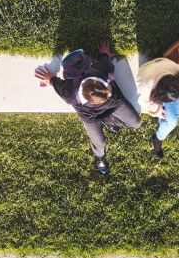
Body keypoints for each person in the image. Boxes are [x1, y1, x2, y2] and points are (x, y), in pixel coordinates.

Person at [35, 40, 141, 175]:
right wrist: (49, 79)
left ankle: (108, 120)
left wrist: (104, 53)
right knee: (100, 142)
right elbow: (55, 82)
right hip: (90, 117)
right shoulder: (70, 93)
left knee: (136, 123)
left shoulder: (100, 68)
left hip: (114, 105)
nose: (110, 86)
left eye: (107, 86)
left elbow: (104, 59)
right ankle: (99, 158)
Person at [136, 57, 179, 159]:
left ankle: (158, 139)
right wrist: (157, 110)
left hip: (165, 72)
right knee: (169, 119)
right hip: (148, 75)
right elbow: (143, 102)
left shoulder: (177, 71)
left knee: (172, 121)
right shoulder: (144, 86)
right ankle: (158, 139)